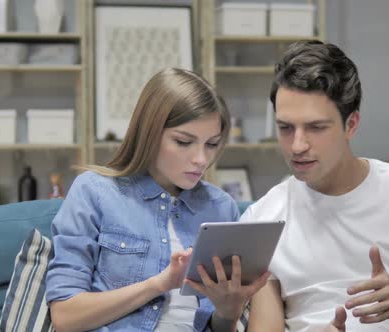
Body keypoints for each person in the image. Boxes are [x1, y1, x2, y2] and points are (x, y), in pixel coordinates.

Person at [242, 41, 389, 331]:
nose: (297, 145)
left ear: (351, 124)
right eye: (285, 128)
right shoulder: (262, 220)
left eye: (316, 127)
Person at [45, 68, 269, 332]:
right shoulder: (95, 192)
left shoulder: (220, 207)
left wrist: (229, 311)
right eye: (184, 142)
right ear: (149, 133)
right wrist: (159, 284)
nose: (201, 159)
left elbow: (218, 327)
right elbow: (65, 316)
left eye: (211, 144)